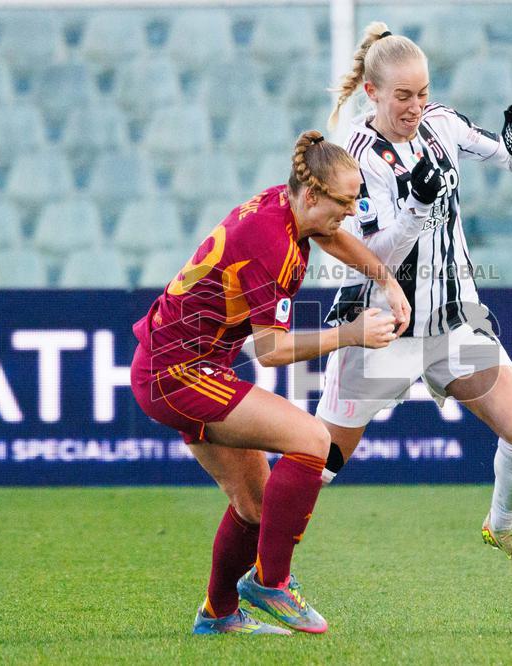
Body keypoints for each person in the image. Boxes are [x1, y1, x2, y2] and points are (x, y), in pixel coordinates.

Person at [130, 130, 412, 635]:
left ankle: (218, 614)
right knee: (312, 441)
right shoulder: (271, 243)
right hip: (176, 373)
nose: (351, 212)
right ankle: (270, 583)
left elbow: (329, 235)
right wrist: (351, 334)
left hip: (182, 364)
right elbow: (270, 350)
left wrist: (386, 279)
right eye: (345, 202)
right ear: (312, 195)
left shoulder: (285, 208)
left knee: (256, 506)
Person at [317, 22, 512, 588]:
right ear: (372, 93)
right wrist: (418, 204)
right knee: (318, 467)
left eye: (422, 92)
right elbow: (372, 253)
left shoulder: (443, 124)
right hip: (381, 326)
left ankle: (503, 525)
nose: (416, 106)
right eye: (403, 96)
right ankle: (261, 571)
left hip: (455, 319)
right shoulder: (355, 155)